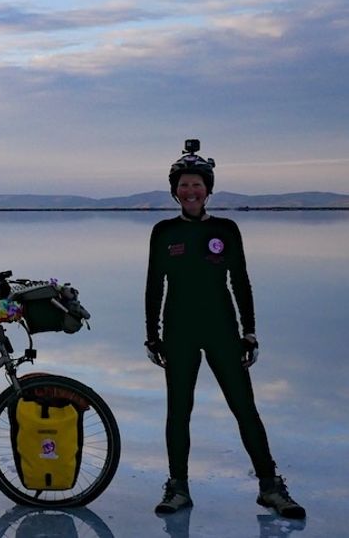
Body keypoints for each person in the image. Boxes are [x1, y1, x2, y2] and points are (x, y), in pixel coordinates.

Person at [144, 139, 304, 520]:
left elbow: (241, 282)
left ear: (208, 188)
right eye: (183, 185)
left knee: (244, 409)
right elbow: (154, 286)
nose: (190, 191)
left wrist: (249, 332)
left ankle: (270, 486)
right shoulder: (163, 232)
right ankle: (178, 487)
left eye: (197, 184)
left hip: (222, 329)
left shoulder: (226, 230)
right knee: (178, 411)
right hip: (180, 332)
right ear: (175, 191)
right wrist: (153, 334)